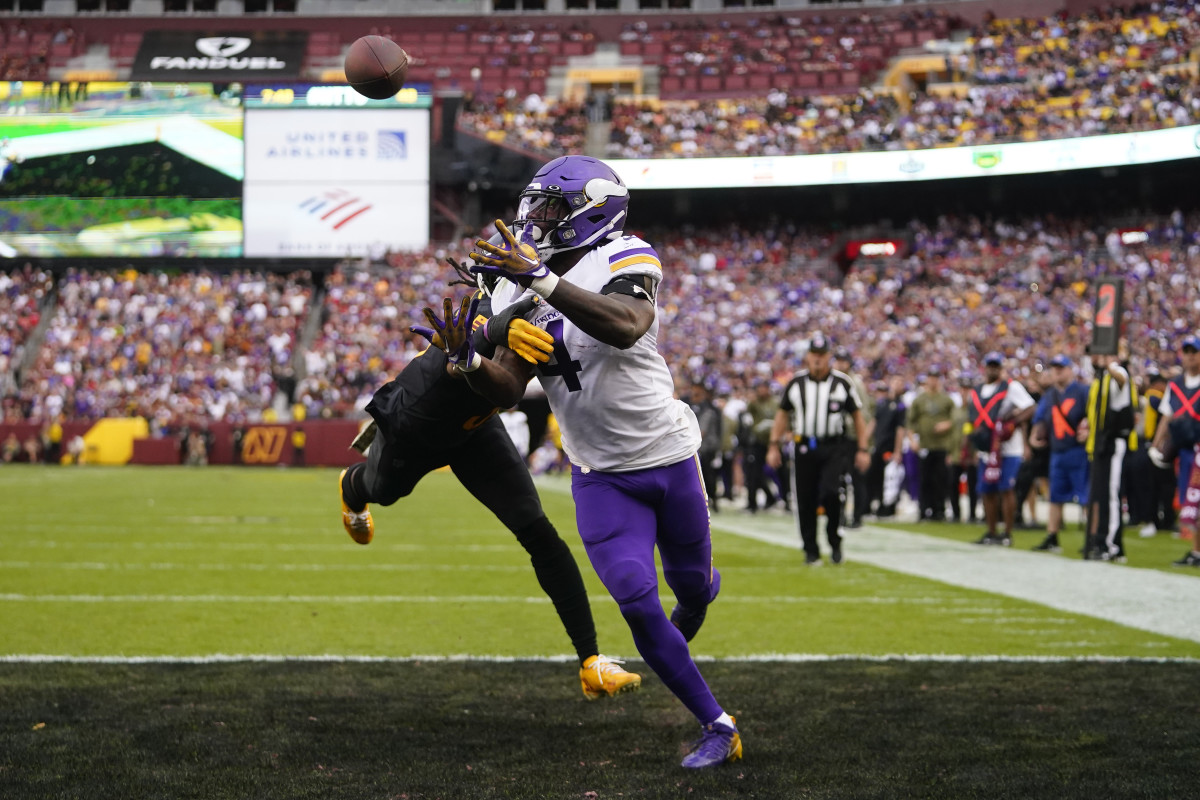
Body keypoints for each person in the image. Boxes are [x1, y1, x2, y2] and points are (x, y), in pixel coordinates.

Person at [438, 155, 741, 769]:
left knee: (690, 590)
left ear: (593, 209)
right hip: (600, 474)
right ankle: (718, 723)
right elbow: (507, 388)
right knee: (635, 599)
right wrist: (469, 363)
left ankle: (699, 591)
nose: (536, 219)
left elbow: (627, 325)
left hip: (667, 456)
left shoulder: (627, 253)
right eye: (536, 205)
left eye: (552, 207)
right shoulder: (519, 280)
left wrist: (543, 282)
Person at [337, 265, 642, 702]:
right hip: (415, 427)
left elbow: (512, 378)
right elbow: (470, 340)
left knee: (538, 531)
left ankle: (591, 661)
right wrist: (490, 333)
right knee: (383, 491)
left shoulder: (542, 299)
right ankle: (352, 486)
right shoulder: (482, 308)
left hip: (475, 428)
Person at [766, 333, 871, 565]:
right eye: (814, 354)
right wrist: (774, 445)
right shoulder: (796, 383)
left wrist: (863, 449)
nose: (817, 360)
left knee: (832, 493)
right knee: (805, 499)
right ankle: (810, 550)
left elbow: (858, 416)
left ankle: (835, 541)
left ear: (829, 357)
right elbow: (782, 414)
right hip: (803, 446)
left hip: (833, 446)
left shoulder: (842, 383)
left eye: (822, 355)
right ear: (808, 356)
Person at [968, 352, 1036, 546]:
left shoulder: (1011, 387)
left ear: (1001, 368)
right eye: (990, 365)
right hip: (986, 448)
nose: (993, 369)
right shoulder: (979, 390)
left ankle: (1007, 532)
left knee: (1006, 488)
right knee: (987, 490)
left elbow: (1030, 407)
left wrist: (1011, 423)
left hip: (1007, 449)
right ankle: (991, 531)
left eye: (996, 366)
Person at [1028, 355, 1090, 553]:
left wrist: (1088, 430)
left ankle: (1092, 537)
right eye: (1054, 368)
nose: (1057, 372)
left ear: (1070, 370)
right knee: (1055, 497)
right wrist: (1034, 435)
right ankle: (1052, 536)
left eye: (1061, 368)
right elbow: (1039, 419)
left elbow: (1094, 416)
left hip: (1078, 451)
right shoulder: (1050, 395)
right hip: (1057, 451)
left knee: (1085, 497)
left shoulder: (1082, 392)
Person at [1151, 335, 1200, 567]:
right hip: (1185, 451)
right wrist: (1156, 444)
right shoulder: (1175, 384)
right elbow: (1166, 416)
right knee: (1190, 500)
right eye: (1187, 351)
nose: (1190, 356)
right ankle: (1196, 551)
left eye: (1195, 352)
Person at [1083, 344, 1134, 562]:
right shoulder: (1098, 380)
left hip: (1114, 443)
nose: (1094, 357)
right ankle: (1102, 539)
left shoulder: (1115, 373)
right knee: (1102, 495)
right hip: (1099, 444)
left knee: (1112, 495)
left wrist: (1110, 364)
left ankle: (1112, 545)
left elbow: (1121, 378)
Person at [906, 367, 956, 522]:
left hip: (941, 446)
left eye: (936, 377)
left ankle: (939, 510)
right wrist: (913, 441)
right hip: (924, 446)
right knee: (924, 479)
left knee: (940, 480)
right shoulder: (919, 399)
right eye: (931, 377)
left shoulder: (946, 399)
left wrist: (947, 424)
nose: (933, 380)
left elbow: (955, 419)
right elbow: (909, 422)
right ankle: (923, 510)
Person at [833, 348, 872, 527]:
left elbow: (862, 413)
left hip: (852, 437)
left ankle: (857, 516)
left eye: (843, 360)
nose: (840, 364)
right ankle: (840, 515)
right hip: (838, 437)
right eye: (838, 360)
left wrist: (862, 441)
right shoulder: (834, 381)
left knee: (856, 478)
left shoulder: (855, 383)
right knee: (838, 478)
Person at [866, 377, 907, 518]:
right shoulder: (882, 403)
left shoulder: (901, 406)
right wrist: (864, 441)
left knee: (889, 479)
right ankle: (872, 504)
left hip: (889, 446)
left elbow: (900, 429)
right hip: (878, 445)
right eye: (896, 382)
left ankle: (887, 508)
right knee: (873, 476)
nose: (897, 385)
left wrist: (897, 450)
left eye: (900, 383)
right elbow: (873, 422)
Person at [742, 380, 782, 513]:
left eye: (763, 388)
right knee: (753, 474)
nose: (761, 391)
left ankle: (781, 499)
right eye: (759, 388)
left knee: (780, 472)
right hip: (757, 442)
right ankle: (752, 503)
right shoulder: (754, 403)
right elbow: (747, 413)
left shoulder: (775, 403)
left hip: (773, 442)